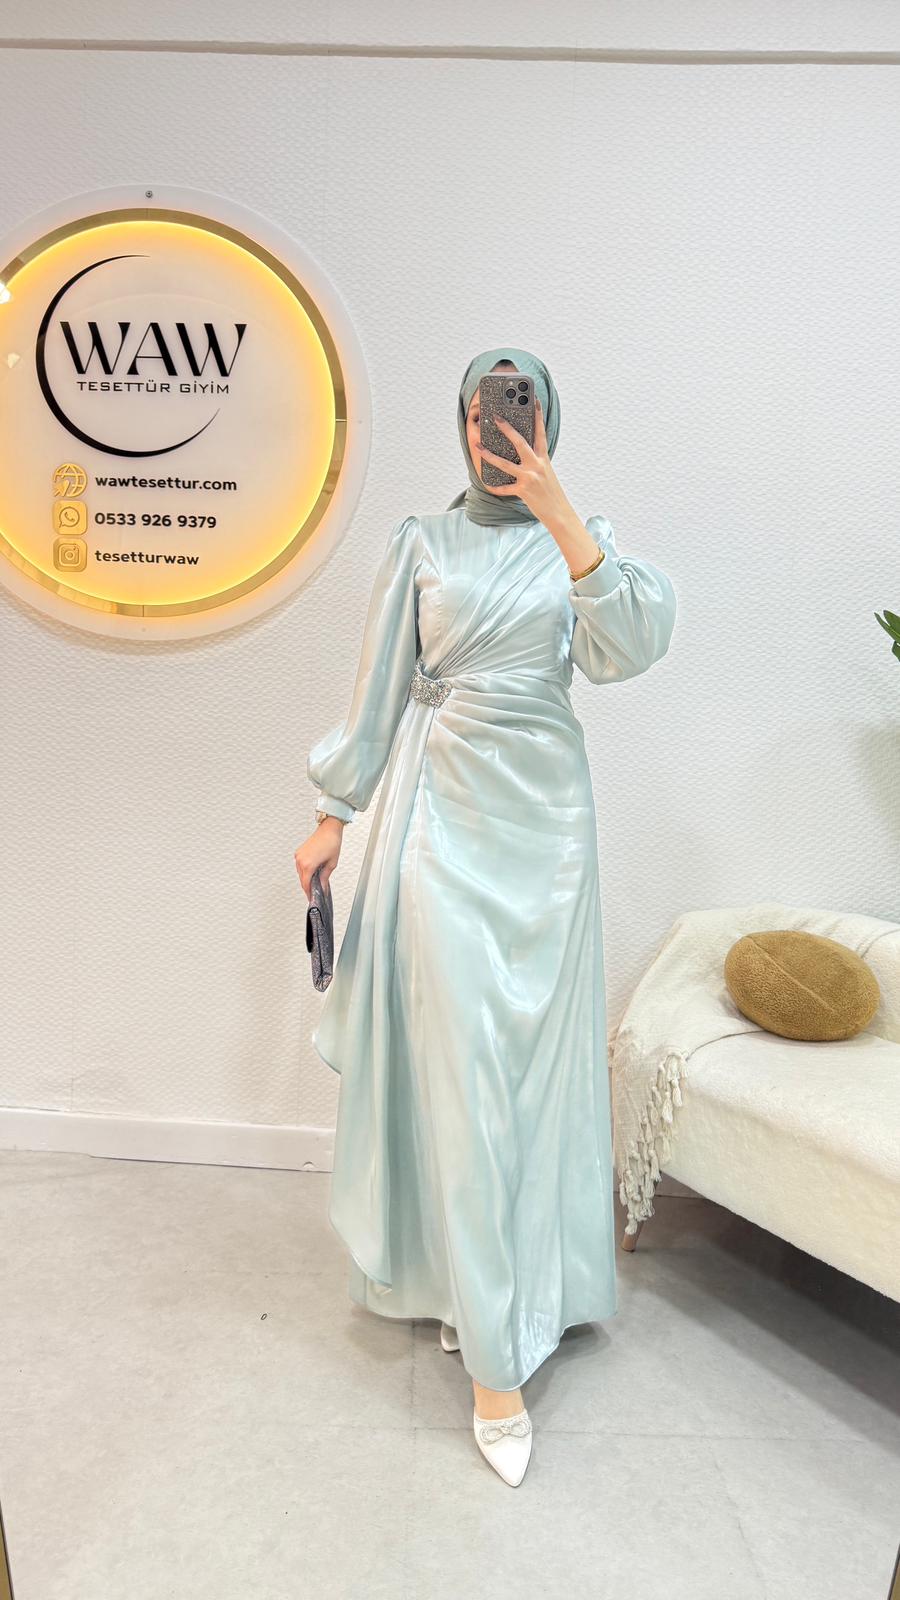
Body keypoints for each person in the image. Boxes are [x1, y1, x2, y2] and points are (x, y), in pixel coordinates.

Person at [294, 346, 677, 1486]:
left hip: (550, 834)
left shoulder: (582, 537)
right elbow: (376, 692)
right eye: (478, 410)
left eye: (516, 409)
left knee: (531, 1070)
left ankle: (518, 1285)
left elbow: (628, 650)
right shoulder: (420, 540)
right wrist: (332, 814)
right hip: (441, 824)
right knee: (461, 1062)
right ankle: (495, 1360)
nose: (493, 429)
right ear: (460, 421)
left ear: (546, 420)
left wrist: (559, 510)